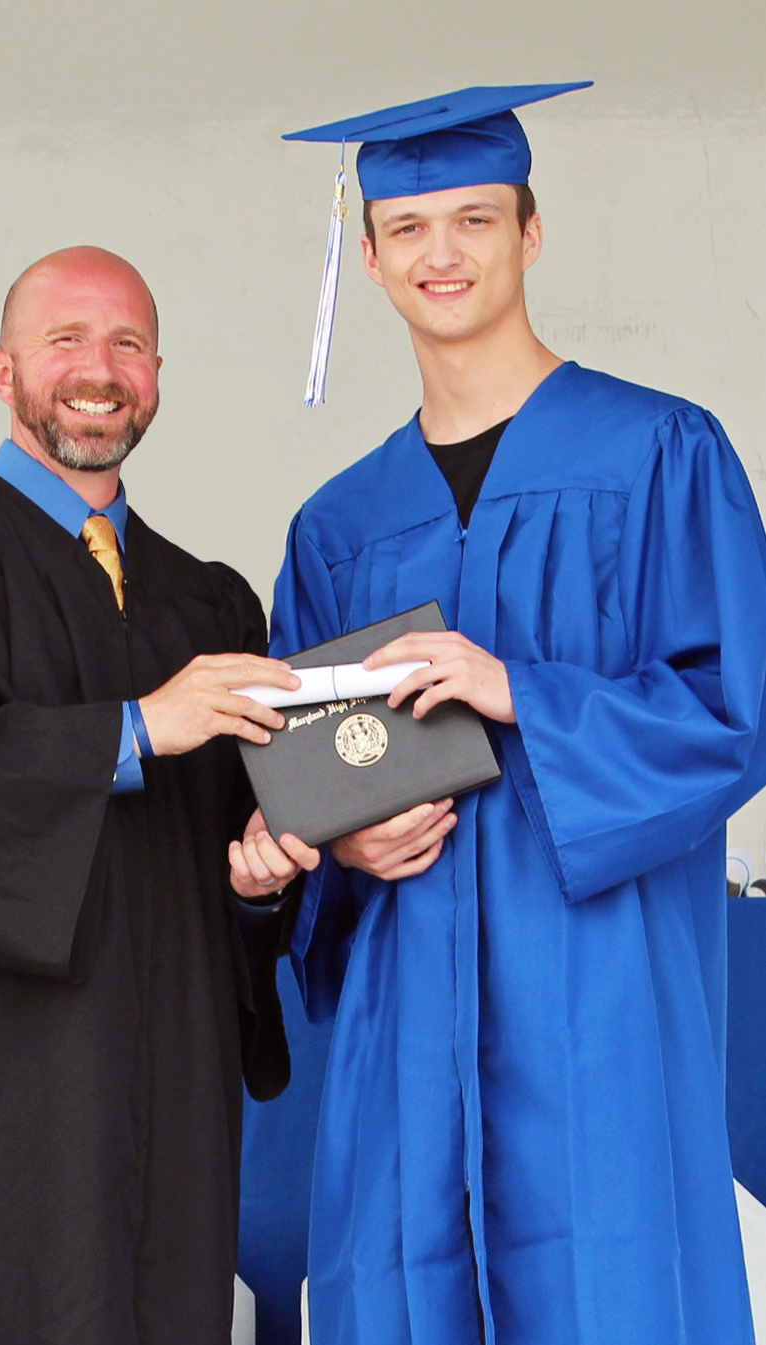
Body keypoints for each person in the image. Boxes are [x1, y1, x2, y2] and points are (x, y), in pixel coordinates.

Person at [267, 86, 766, 1344]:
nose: (443, 252)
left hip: (596, 993)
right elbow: (313, 772)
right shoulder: (338, 524)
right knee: (401, 1285)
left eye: (475, 219)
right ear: (369, 255)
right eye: (410, 225)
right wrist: (342, 847)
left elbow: (735, 710)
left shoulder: (660, 454)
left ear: (529, 235)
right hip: (404, 1015)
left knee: (606, 1289)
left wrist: (519, 691)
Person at [0, 244, 317, 1345]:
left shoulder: (210, 605)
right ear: (2, 371)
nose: (102, 367)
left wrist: (256, 885)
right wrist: (137, 727)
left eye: (129, 343)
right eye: (67, 340)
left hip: (160, 1125)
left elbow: (230, 859)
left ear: (156, 375)